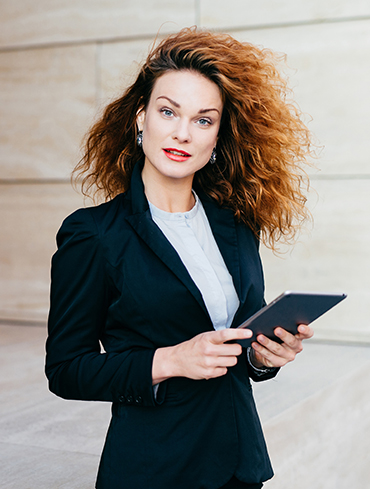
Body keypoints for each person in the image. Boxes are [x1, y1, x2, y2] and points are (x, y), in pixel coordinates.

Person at [45, 27, 314, 489]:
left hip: (239, 464)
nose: (181, 133)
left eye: (203, 120)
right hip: (154, 468)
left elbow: (241, 349)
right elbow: (67, 370)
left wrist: (266, 357)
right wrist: (169, 360)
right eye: (168, 111)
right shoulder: (94, 234)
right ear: (140, 118)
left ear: (217, 139)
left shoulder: (236, 226)